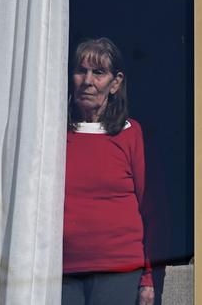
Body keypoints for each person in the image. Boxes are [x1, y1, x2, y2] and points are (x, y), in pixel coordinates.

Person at [62, 38, 154, 305]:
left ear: (115, 83)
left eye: (99, 72)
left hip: (118, 268)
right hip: (61, 268)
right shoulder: (54, 133)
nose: (88, 80)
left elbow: (149, 209)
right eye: (81, 71)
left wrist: (147, 276)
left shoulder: (130, 133)